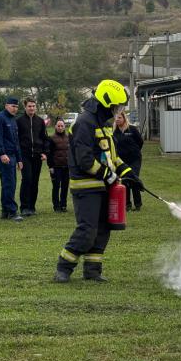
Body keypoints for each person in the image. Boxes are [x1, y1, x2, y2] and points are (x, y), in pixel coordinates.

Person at [54, 79, 144, 283]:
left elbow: (111, 155)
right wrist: (109, 176)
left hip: (105, 186)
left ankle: (92, 271)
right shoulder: (84, 123)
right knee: (87, 230)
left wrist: (129, 173)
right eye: (116, 106)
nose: (118, 110)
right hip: (87, 187)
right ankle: (63, 268)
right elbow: (85, 160)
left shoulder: (104, 123)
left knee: (103, 229)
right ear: (106, 103)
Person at [0, 97, 23, 221]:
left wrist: (19, 159)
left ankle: (5, 210)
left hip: (14, 156)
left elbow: (16, 141)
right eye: (12, 106)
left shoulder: (12, 120)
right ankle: (12, 211)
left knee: (10, 183)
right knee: (9, 183)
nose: (15, 109)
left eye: (16, 107)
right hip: (5, 156)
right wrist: (1, 153)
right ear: (6, 106)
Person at [16, 97, 48, 216]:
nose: (32, 108)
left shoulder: (40, 121)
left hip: (37, 155)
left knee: (35, 181)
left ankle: (32, 207)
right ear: (25, 107)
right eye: (29, 106)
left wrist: (45, 152)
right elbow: (16, 140)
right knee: (27, 179)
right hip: (25, 155)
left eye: (33, 106)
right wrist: (18, 157)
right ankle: (24, 207)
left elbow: (45, 139)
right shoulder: (19, 121)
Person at [113, 111, 144, 211]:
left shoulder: (132, 129)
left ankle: (138, 204)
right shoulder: (114, 132)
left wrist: (134, 151)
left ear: (124, 118)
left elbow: (140, 142)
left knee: (133, 178)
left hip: (135, 159)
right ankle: (127, 204)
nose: (117, 120)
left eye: (119, 118)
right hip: (122, 161)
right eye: (116, 118)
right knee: (124, 181)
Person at [47, 118, 70, 212]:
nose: (60, 127)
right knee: (56, 186)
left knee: (65, 186)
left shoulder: (69, 138)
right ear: (55, 127)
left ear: (65, 127)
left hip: (67, 167)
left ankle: (63, 205)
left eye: (62, 126)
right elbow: (49, 153)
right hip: (56, 167)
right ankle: (56, 206)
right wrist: (50, 166)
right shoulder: (51, 138)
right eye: (58, 126)